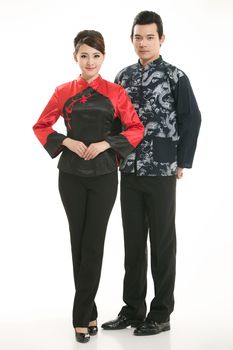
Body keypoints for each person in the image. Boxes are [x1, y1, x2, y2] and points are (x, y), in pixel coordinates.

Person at [33, 29, 144, 343]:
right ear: (75, 57)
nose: (90, 61)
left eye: (96, 55)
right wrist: (65, 140)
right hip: (70, 175)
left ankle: (80, 317)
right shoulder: (63, 91)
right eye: (84, 55)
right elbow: (41, 126)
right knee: (78, 244)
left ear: (103, 57)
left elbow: (136, 128)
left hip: (104, 176)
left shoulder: (115, 93)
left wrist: (106, 144)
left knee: (93, 244)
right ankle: (89, 310)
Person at [101, 11, 201, 336]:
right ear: (131, 39)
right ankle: (132, 309)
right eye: (138, 37)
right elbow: (113, 121)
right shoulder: (122, 77)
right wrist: (115, 153)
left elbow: (191, 118)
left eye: (149, 37)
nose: (143, 43)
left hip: (160, 171)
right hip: (128, 170)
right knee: (132, 242)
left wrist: (181, 160)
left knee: (161, 243)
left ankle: (161, 313)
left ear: (161, 39)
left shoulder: (175, 76)